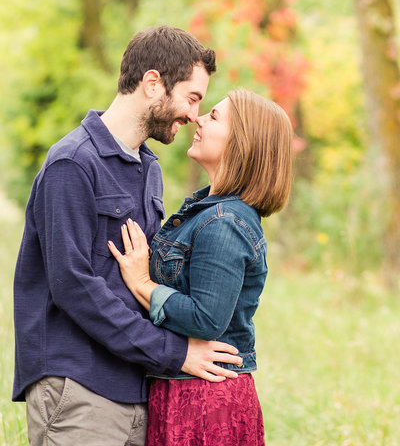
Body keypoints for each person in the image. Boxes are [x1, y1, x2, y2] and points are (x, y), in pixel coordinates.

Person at [13, 25, 243, 446]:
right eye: (192, 98)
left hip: (136, 388)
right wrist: (176, 353)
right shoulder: (72, 163)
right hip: (78, 387)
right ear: (153, 83)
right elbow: (73, 287)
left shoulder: (148, 169)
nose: (194, 114)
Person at [108, 88, 294, 445]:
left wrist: (142, 283)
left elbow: (207, 319)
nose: (198, 117)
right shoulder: (207, 211)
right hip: (183, 387)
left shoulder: (224, 222)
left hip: (205, 400)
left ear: (242, 143)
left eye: (214, 116)